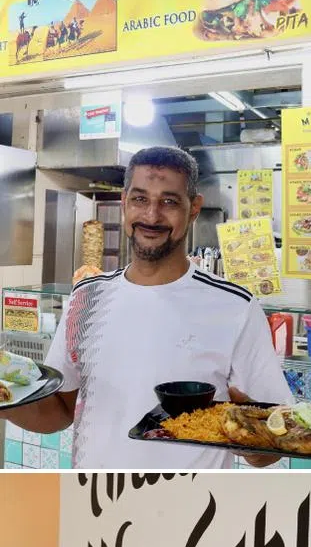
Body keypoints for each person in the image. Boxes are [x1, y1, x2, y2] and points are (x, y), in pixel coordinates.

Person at [5, 146, 291, 468]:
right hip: (94, 504)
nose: (152, 215)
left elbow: (273, 442)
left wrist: (248, 434)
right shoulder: (86, 297)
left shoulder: (235, 306)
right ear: (125, 202)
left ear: (193, 208)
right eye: (140, 199)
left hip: (192, 511)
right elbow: (58, 411)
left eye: (169, 201)